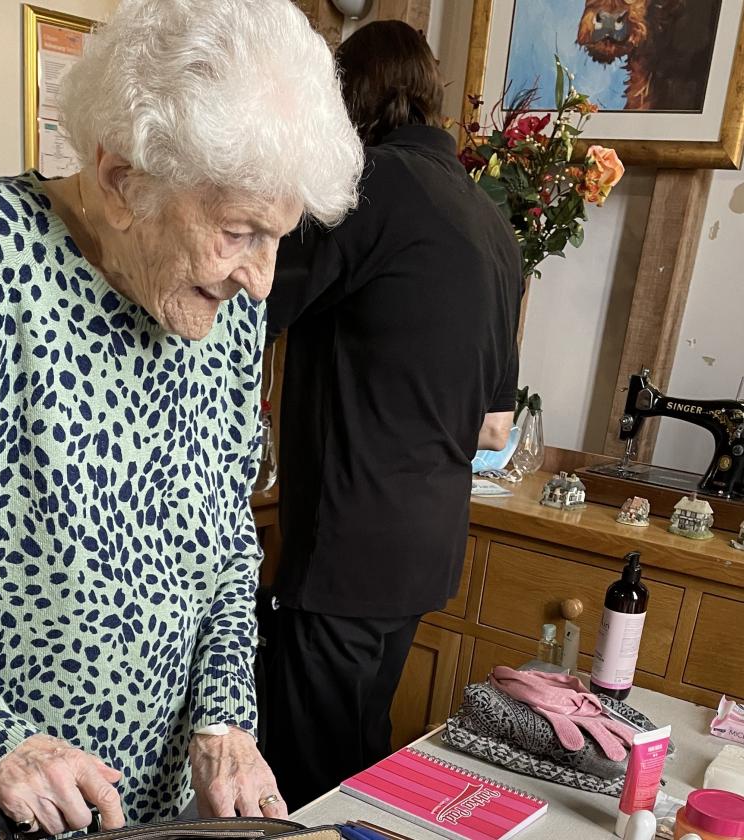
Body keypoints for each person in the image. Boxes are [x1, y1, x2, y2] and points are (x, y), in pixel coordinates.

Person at [0, 0, 363, 834]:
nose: (261, 280)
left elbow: (228, 541)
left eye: (278, 239)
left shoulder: (226, 311)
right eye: (238, 233)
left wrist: (224, 722)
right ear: (123, 181)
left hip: (153, 809)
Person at [263, 20, 522, 810]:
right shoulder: (491, 223)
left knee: (303, 781)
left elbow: (243, 297)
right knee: (359, 763)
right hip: (426, 548)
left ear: (351, 103)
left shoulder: (369, 191)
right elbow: (494, 428)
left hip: (348, 544)